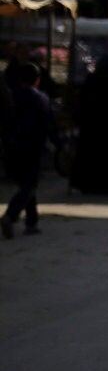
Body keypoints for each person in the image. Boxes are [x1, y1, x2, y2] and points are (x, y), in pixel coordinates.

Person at [2, 63, 56, 239]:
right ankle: (11, 215)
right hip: (33, 147)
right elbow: (49, 125)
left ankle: (31, 222)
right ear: (37, 80)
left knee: (26, 183)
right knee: (29, 185)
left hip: (13, 146)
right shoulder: (42, 99)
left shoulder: (11, 96)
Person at [70, 56, 108, 194]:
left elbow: (82, 104)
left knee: (91, 157)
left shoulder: (91, 80)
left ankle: (88, 185)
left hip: (91, 128)